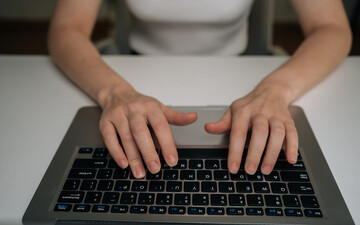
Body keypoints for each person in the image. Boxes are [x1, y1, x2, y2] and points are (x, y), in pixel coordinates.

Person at [48, 0, 352, 179]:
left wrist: (276, 91)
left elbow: (331, 27)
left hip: (241, 75)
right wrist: (113, 92)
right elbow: (66, 28)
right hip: (132, 73)